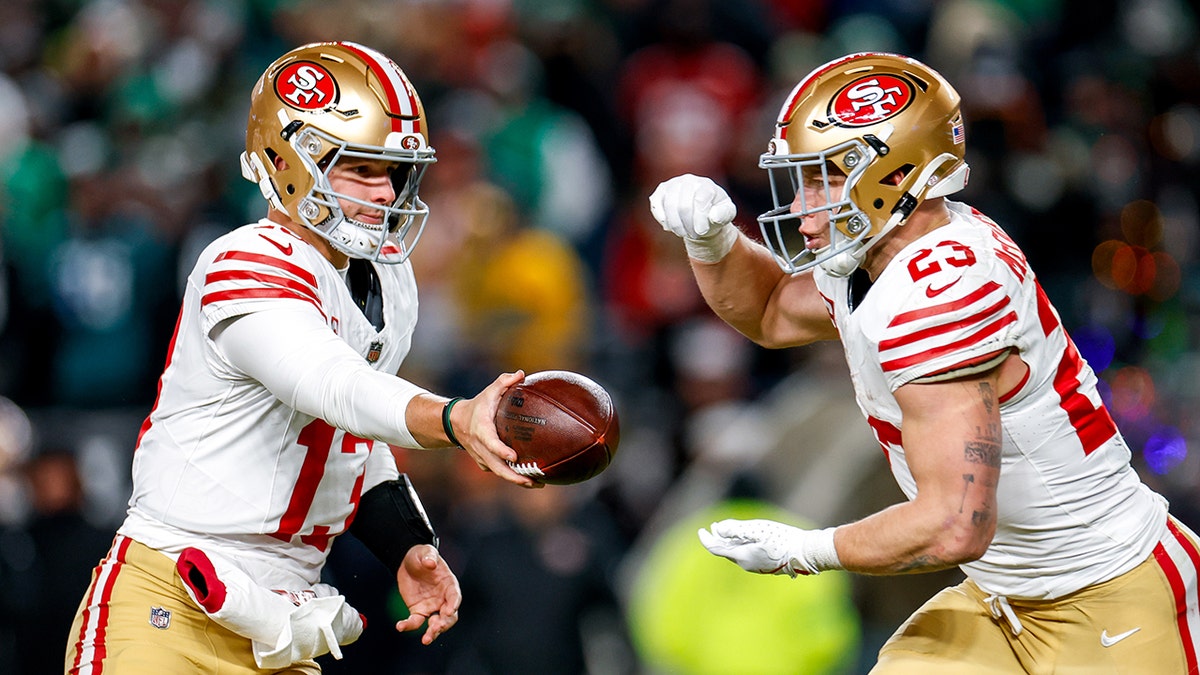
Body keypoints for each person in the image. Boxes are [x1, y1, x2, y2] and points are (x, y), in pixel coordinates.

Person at [649, 51, 1200, 674]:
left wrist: (810, 549)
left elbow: (954, 523)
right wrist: (714, 242)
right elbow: (772, 310)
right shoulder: (878, 255)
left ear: (897, 174)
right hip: (1002, 596)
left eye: (824, 178)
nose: (802, 207)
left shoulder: (940, 292)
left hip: (1112, 595)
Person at [65, 41, 541, 675]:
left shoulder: (388, 281)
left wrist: (405, 543)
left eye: (395, 173)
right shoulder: (246, 260)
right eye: (362, 169)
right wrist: (455, 418)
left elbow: (350, 435)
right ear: (292, 161)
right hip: (172, 600)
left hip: (283, 619)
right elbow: (334, 387)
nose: (385, 193)